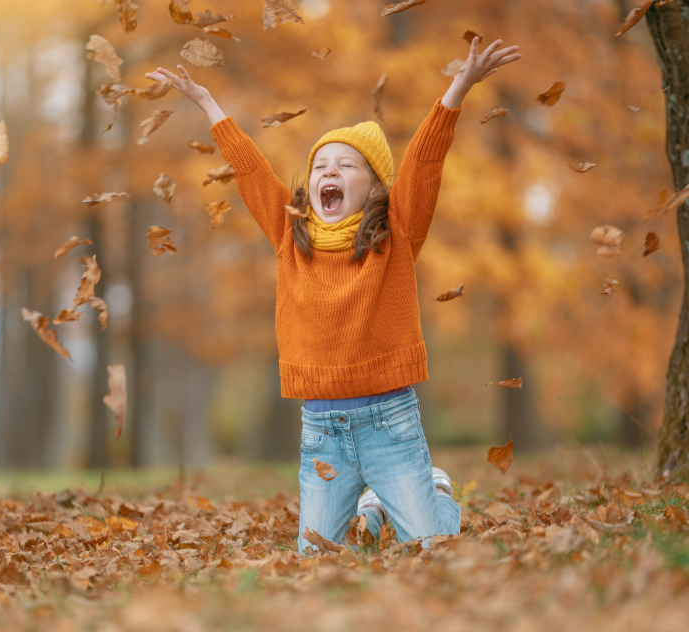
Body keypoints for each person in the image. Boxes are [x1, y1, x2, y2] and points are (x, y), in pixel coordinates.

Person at [146, 36, 522, 552]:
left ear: (373, 187)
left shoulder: (397, 233)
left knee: (430, 551)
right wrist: (209, 103)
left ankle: (435, 496)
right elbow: (252, 172)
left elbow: (423, 164)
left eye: (346, 166)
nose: (329, 172)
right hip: (323, 430)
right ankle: (371, 512)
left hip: (391, 422)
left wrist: (458, 88)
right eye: (322, 164)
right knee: (314, 557)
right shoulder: (289, 234)